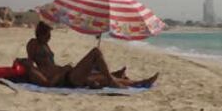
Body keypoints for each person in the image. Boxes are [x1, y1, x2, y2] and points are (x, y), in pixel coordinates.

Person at [24, 21, 158, 88]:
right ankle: (114, 78)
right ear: (40, 33)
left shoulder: (44, 45)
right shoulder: (33, 46)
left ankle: (138, 82)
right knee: (95, 52)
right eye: (48, 34)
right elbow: (49, 84)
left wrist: (63, 68)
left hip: (68, 73)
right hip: (67, 78)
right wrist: (62, 71)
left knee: (102, 77)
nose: (49, 37)